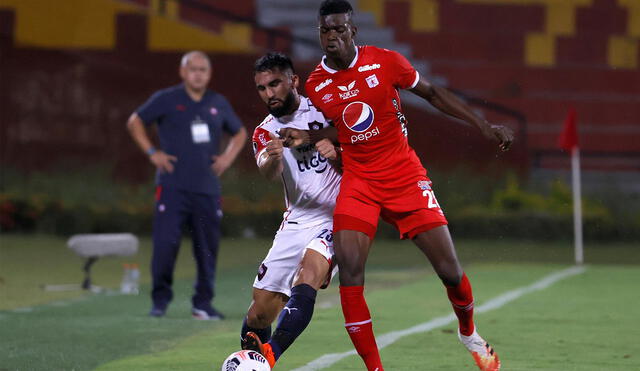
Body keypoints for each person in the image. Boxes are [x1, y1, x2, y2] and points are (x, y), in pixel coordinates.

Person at [278, 1, 515, 370]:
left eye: (340, 29)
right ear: (319, 34)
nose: (333, 36)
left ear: (353, 31)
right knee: (352, 276)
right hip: (359, 182)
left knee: (450, 272)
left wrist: (484, 127)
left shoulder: (386, 61)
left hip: (404, 176)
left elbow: (433, 94)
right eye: (326, 30)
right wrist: (308, 138)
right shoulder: (317, 84)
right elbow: (341, 130)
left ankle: (468, 333)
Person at [238, 52, 342, 369]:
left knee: (306, 277)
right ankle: (250, 360)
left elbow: (358, 139)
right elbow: (267, 173)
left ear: (293, 81)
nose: (269, 94)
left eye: (275, 84)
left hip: (338, 216)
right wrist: (274, 159)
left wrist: (336, 150)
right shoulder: (264, 132)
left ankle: (271, 358)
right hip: (296, 220)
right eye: (261, 88)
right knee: (259, 312)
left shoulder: (324, 111)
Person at [126, 50, 247, 320]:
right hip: (173, 186)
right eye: (193, 69)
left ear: (209, 74)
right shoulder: (167, 99)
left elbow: (239, 132)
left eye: (203, 69)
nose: (198, 74)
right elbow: (135, 122)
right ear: (183, 72)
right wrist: (152, 153)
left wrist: (227, 158)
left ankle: (202, 304)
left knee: (207, 249)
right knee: (165, 246)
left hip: (207, 189)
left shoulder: (218, 102)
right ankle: (160, 301)